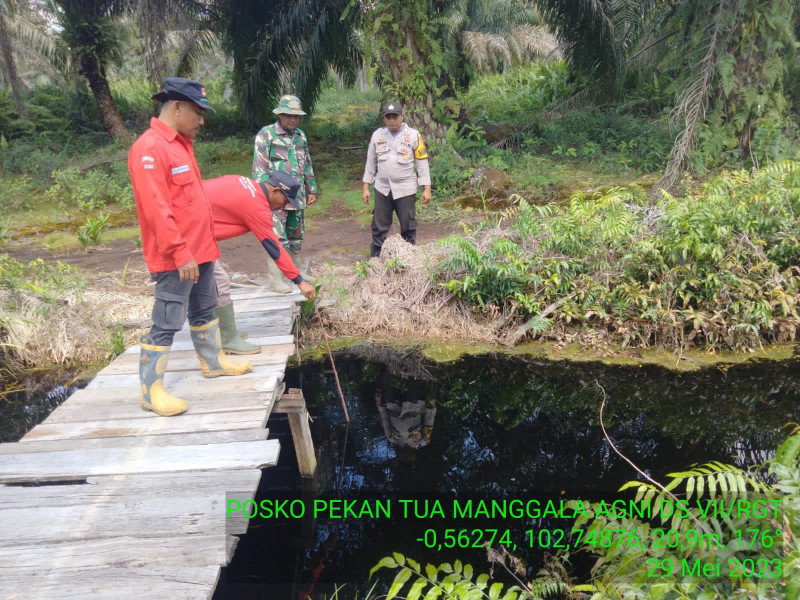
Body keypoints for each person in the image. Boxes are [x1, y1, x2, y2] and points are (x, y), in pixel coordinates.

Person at [128, 76, 251, 417]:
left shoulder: (181, 144)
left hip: (202, 251)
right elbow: (157, 209)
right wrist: (181, 253)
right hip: (176, 257)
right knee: (167, 320)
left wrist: (205, 248)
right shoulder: (149, 148)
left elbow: (190, 202)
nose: (202, 120)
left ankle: (213, 361)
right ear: (177, 107)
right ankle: (151, 391)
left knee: (204, 308)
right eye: (198, 112)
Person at [206, 172, 317, 355]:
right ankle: (227, 339)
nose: (283, 207)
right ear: (275, 191)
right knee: (217, 284)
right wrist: (300, 281)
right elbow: (273, 247)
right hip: (186, 234)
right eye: (285, 201)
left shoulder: (244, 182)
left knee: (212, 285)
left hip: (191, 227)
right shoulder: (256, 206)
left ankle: (224, 332)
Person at [253, 95, 318, 292]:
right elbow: (260, 167)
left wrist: (311, 189)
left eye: (296, 116)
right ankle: (275, 278)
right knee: (276, 237)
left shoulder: (300, 136)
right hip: (276, 197)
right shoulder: (266, 134)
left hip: (296, 196)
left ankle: (297, 272)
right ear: (280, 114)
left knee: (296, 235)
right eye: (289, 116)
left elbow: (306, 164)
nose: (293, 120)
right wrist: (263, 195)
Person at [362, 101, 432, 257]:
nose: (391, 120)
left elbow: (422, 162)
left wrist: (427, 188)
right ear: (384, 118)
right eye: (388, 117)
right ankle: (376, 257)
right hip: (382, 188)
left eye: (395, 116)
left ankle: (409, 256)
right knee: (379, 225)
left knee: (408, 224)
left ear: (402, 116)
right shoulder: (378, 135)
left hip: (406, 188)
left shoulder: (413, 135)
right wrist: (366, 187)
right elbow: (371, 162)